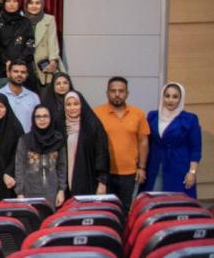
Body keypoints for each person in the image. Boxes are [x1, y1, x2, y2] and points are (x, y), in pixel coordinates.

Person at [94, 77, 149, 211]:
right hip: (104, 174)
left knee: (126, 210)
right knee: (105, 210)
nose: (117, 94)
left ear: (127, 93)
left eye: (121, 91)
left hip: (130, 173)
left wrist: (141, 167)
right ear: (107, 93)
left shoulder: (138, 114)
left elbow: (143, 142)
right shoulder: (96, 113)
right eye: (113, 91)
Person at [143, 82, 201, 198]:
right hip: (155, 165)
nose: (170, 100)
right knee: (153, 199)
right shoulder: (152, 116)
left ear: (181, 99)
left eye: (175, 97)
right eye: (167, 96)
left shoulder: (190, 119)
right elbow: (146, 143)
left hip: (179, 167)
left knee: (177, 201)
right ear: (162, 97)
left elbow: (196, 148)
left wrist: (192, 172)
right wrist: (142, 167)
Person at [15, 105, 66, 207]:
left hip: (52, 193)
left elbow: (62, 166)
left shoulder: (58, 140)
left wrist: (61, 190)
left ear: (51, 118)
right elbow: (19, 166)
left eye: (45, 116)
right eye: (38, 117)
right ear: (33, 119)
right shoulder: (25, 140)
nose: (42, 119)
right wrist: (20, 192)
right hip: (29, 192)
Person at [63, 90, 109, 196]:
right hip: (65, 183)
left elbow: (101, 155)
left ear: (82, 105)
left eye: (76, 104)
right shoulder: (60, 125)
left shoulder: (93, 125)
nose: (72, 108)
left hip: (89, 180)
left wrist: (102, 182)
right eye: (68, 104)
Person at [0, 0, 36, 91]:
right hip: (2, 67)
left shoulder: (26, 22)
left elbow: (30, 43)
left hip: (23, 66)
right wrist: (6, 61)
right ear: (4, 4)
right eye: (8, 1)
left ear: (19, 4)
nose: (11, 4)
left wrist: (19, 62)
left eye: (14, 1)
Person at [24, 0, 62, 87]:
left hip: (44, 63)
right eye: (31, 3)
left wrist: (53, 60)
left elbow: (52, 41)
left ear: (42, 5)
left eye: (37, 3)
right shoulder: (21, 20)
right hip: (26, 63)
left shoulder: (49, 19)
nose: (34, 6)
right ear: (26, 5)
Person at [0, 61, 39, 132]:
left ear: (27, 75)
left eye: (23, 72)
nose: (19, 74)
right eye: (15, 71)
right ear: (8, 73)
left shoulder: (34, 97)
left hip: (28, 138)